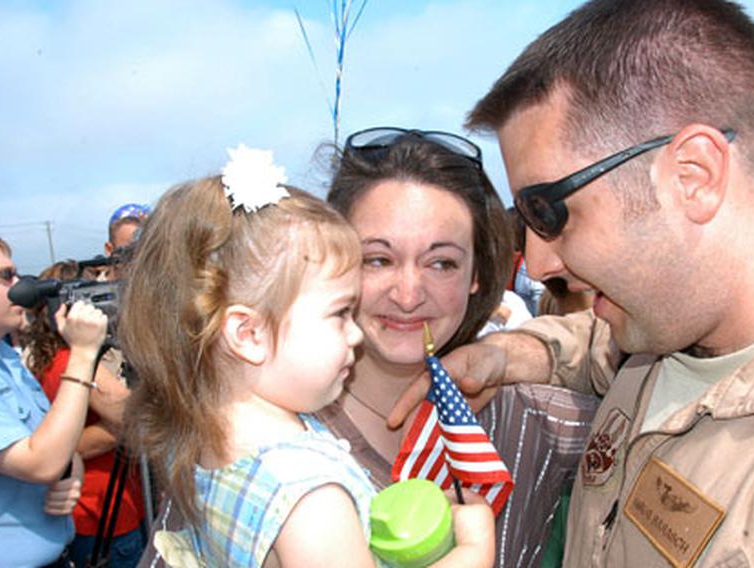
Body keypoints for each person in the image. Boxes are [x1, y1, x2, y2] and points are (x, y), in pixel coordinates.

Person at [388, 1, 754, 566]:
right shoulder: (654, 326)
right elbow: (590, 346)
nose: (538, 262)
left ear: (693, 176)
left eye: (549, 212)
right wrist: (510, 354)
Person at [121, 146, 495, 567]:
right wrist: (473, 553)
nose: (354, 333)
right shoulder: (312, 502)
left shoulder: (202, 440)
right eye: (339, 313)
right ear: (248, 334)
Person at [321, 127, 600, 567]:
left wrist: (522, 352)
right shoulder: (266, 438)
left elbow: (662, 354)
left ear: (476, 274)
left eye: (441, 263)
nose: (409, 294)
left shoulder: (530, 421)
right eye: (378, 259)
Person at [0, 231, 108, 566]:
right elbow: (40, 463)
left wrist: (72, 472)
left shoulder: (1, 357)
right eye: (3, 276)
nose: (18, 283)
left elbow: (53, 444)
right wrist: (83, 353)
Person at [25, 259, 145, 568]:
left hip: (82, 507)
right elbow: (128, 414)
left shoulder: (44, 357)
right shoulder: (72, 360)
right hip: (107, 509)